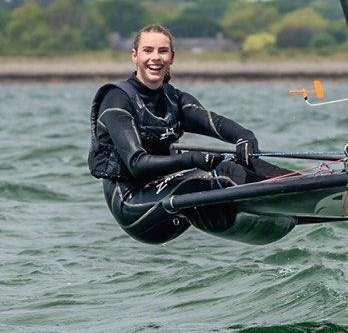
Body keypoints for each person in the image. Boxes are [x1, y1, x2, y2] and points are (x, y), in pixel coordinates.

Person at [89, 24, 290, 244]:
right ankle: (289, 195)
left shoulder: (174, 99)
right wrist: (192, 159)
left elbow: (214, 122)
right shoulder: (117, 99)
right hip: (133, 205)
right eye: (148, 51)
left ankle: (306, 185)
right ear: (134, 56)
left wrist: (245, 137)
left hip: (170, 194)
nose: (155, 58)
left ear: (172, 57)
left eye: (163, 51)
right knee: (219, 171)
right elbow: (137, 163)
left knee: (239, 159)